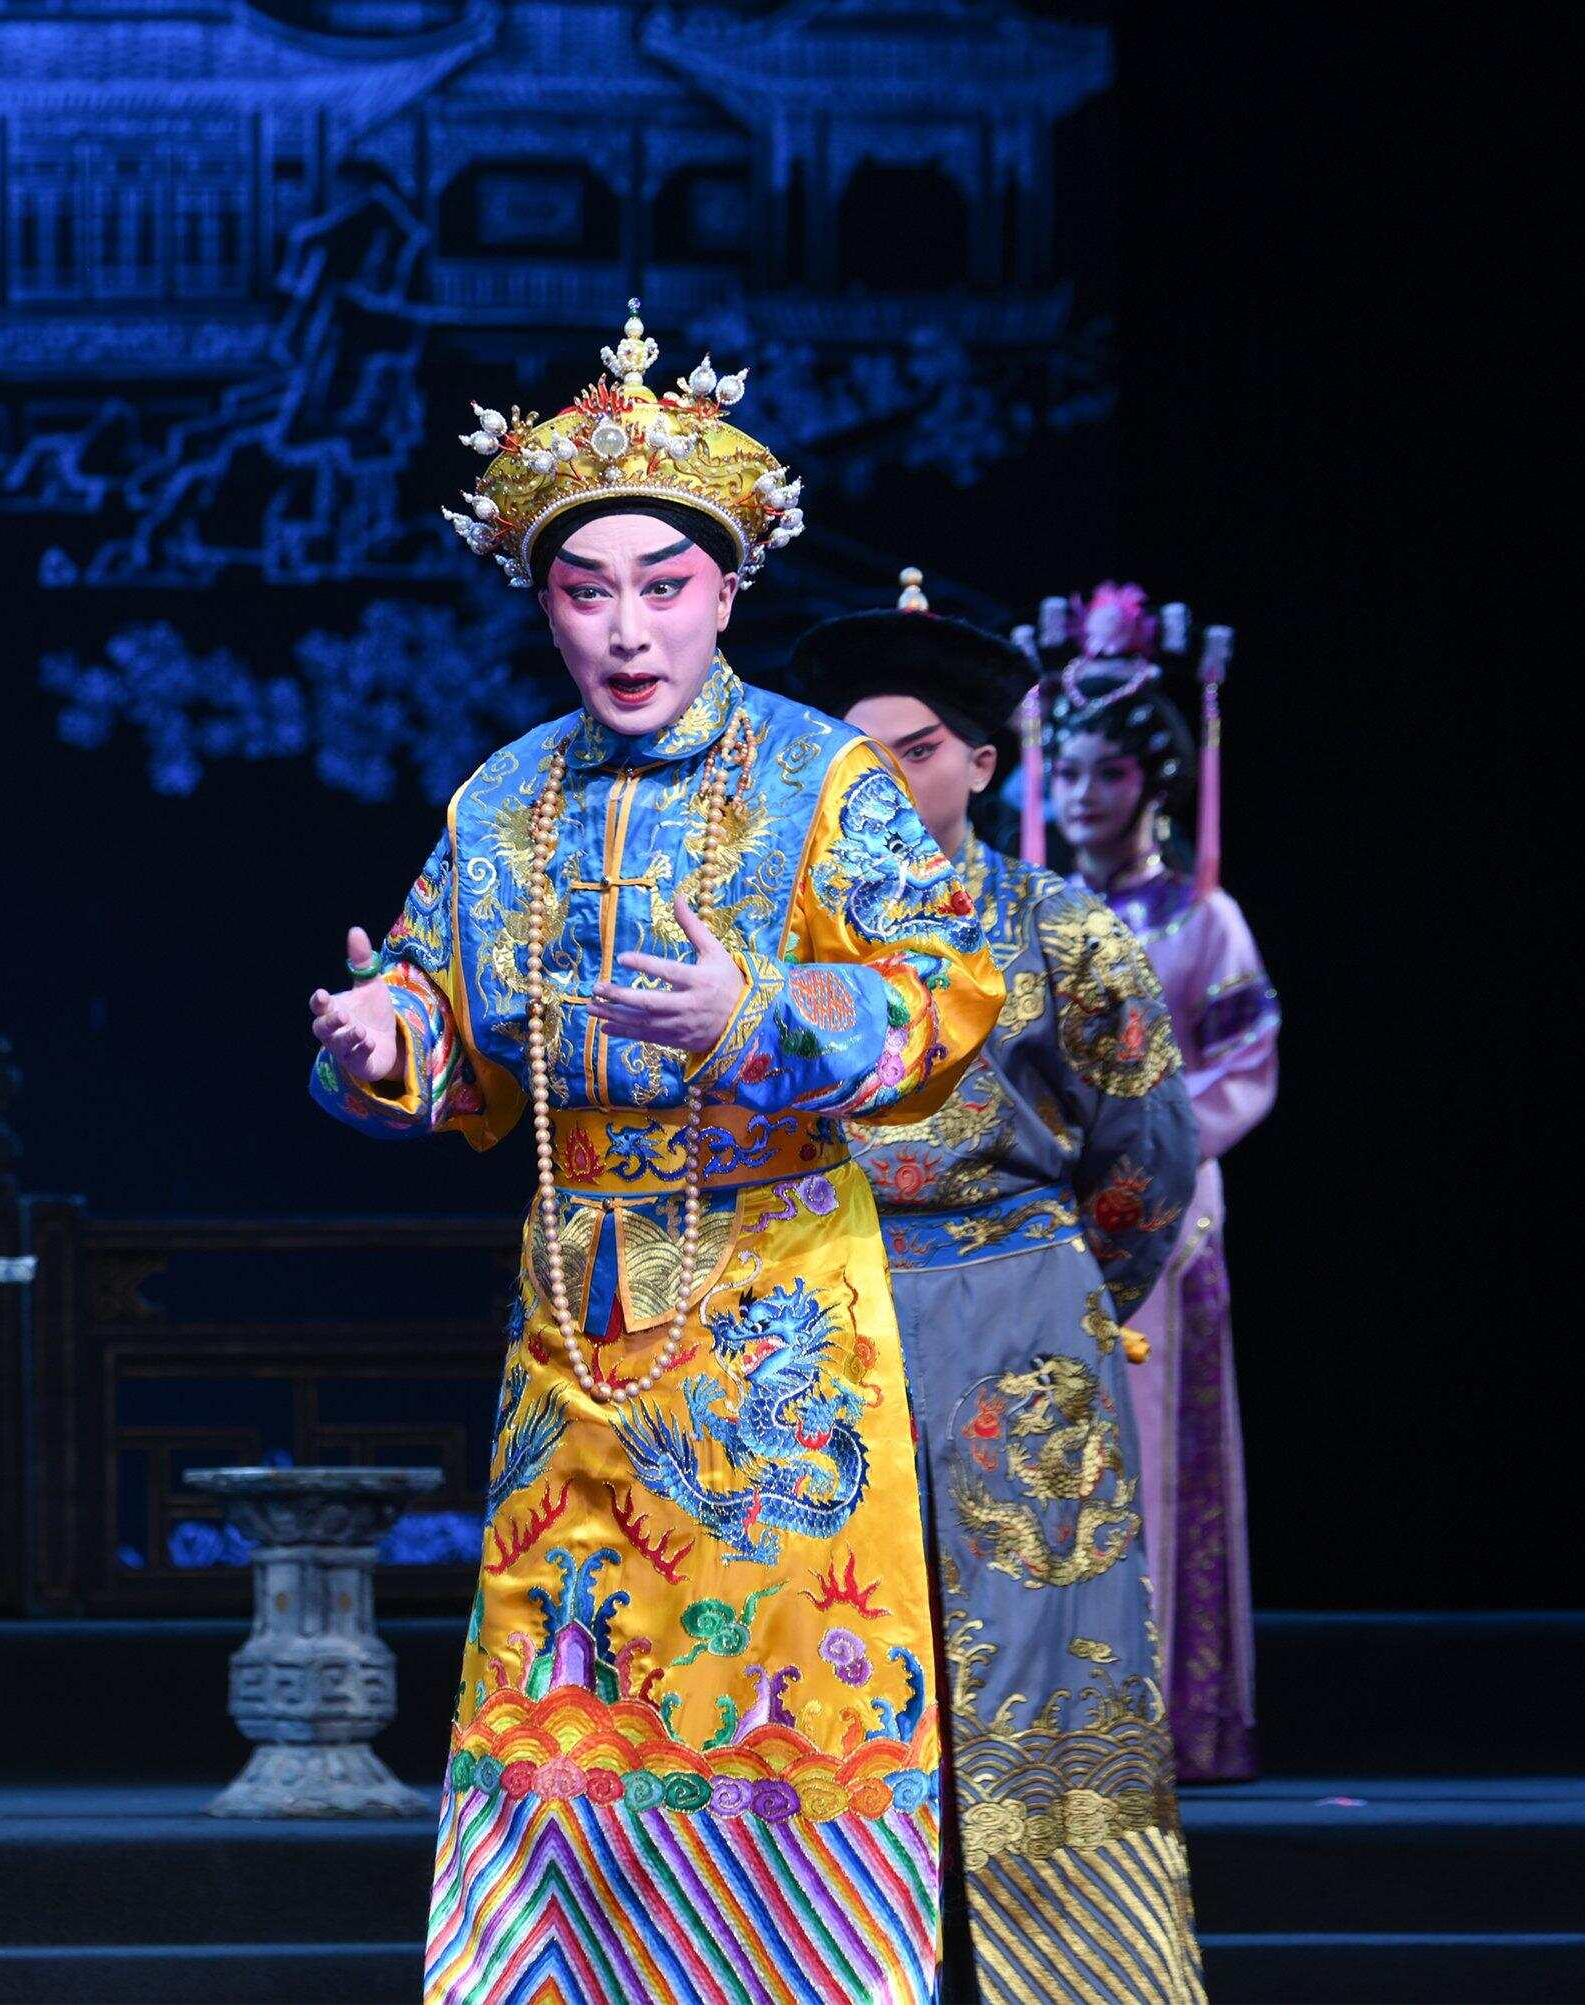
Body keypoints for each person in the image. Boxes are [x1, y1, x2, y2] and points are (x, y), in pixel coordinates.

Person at [314, 308, 1002, 2003]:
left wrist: (755, 1014)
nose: (626, 630)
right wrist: (387, 1044)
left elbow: (944, 996)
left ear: (725, 593)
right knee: (566, 1699)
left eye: (663, 586)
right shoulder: (502, 802)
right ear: (541, 602)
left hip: (780, 1318)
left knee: (789, 1689)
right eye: (586, 590)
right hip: (577, 1324)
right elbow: (442, 1014)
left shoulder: (825, 779)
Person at [800, 570, 1206, 2003]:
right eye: (853, 755)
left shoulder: (1063, 928)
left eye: (913, 749)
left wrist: (1058, 1294)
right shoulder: (777, 945)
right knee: (826, 1642)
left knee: (1042, 1652)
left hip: (1017, 1316)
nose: (883, 779)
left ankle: (1073, 1968)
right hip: (812, 1317)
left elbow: (1145, 1158)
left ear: (979, 761)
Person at [1046, 585, 1277, 1782]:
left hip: (1164, 1221)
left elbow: (1242, 1067)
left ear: (1156, 783)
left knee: (1150, 1449)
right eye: (1064, 771)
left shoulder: (1200, 920)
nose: (1080, 794)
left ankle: (1164, 1717)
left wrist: (1152, 1162)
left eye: (1107, 772)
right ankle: (1050, 1715)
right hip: (1041, 1211)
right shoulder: (1027, 912)